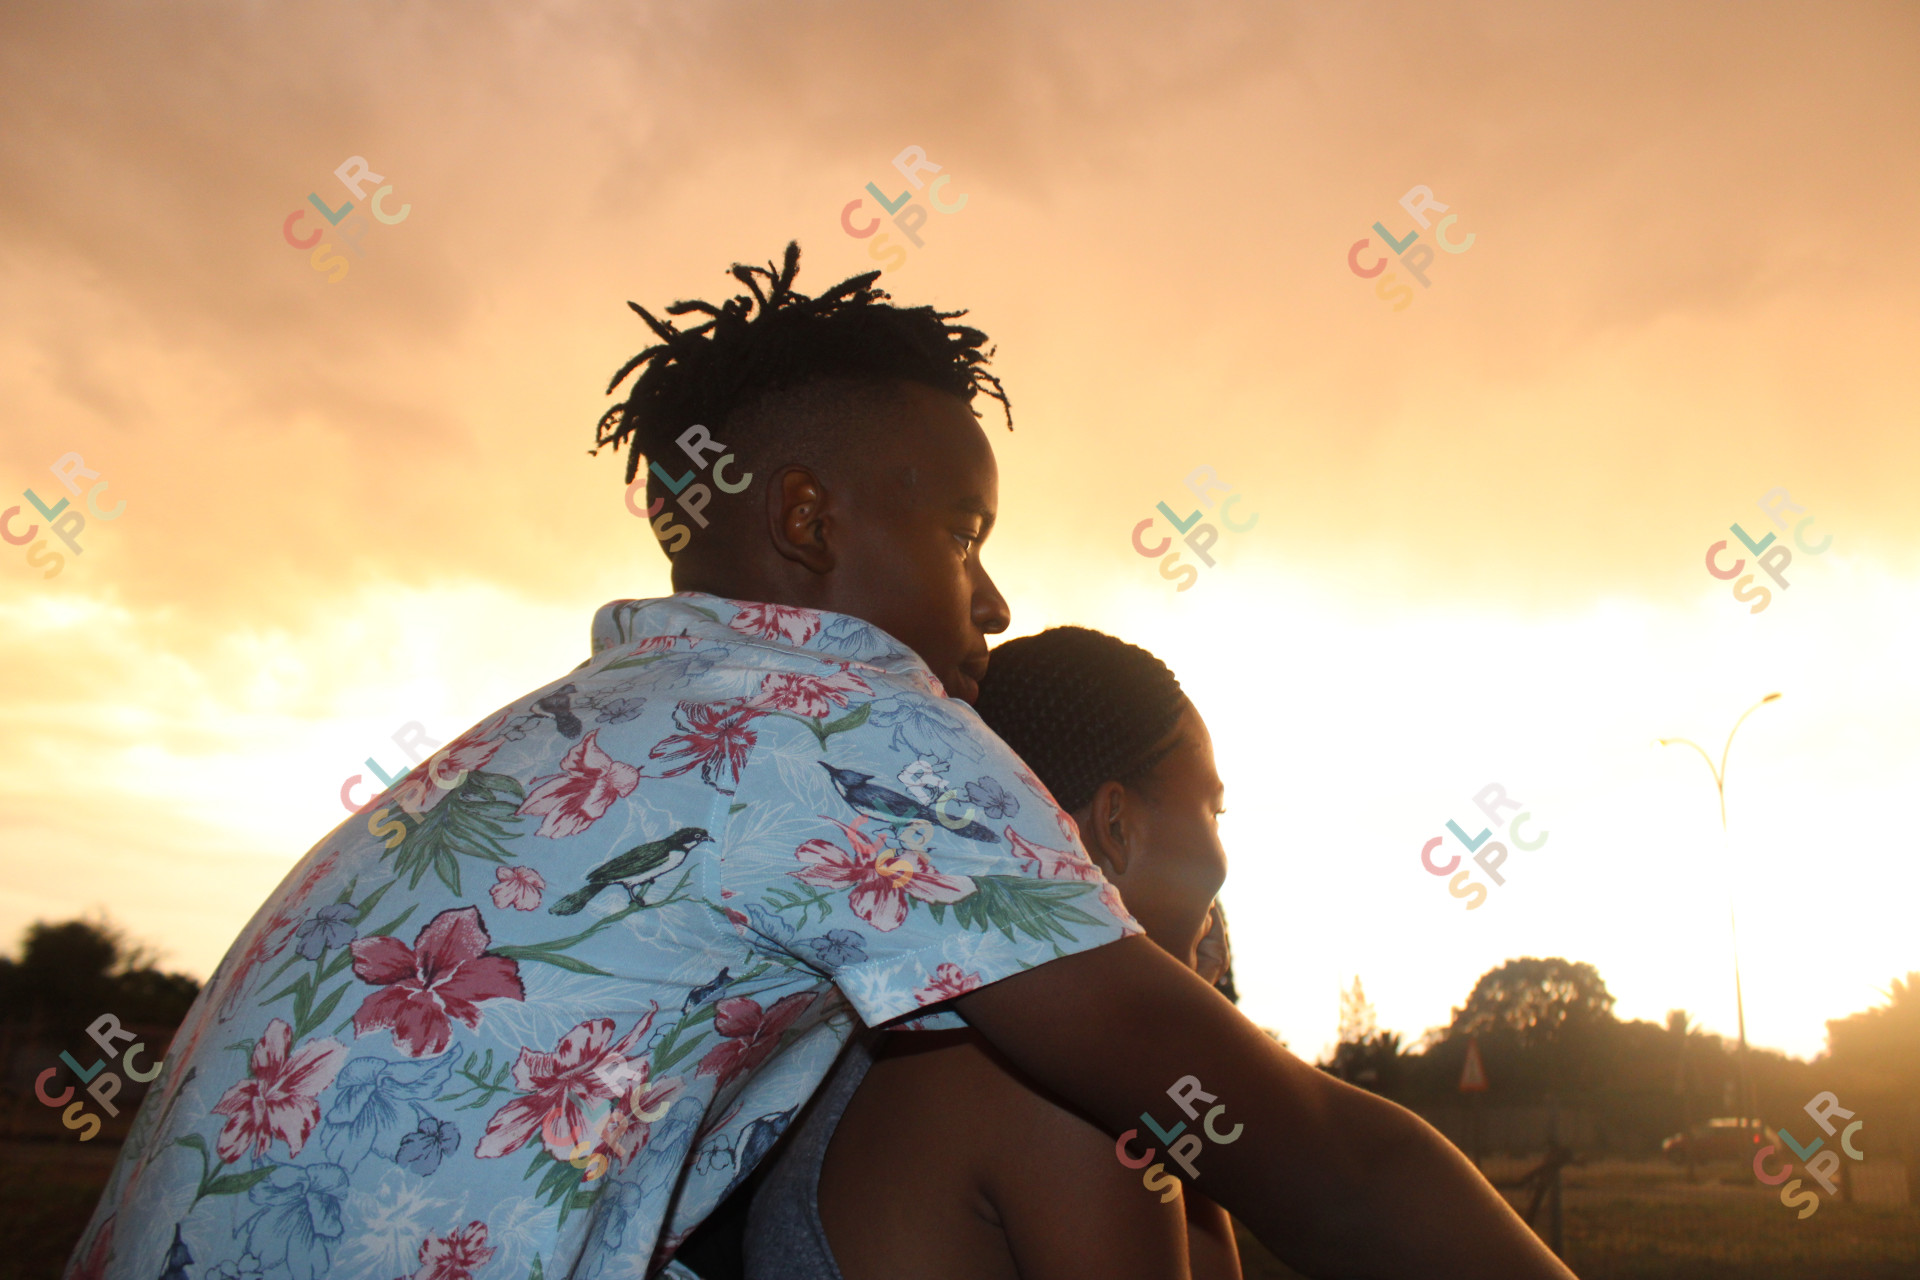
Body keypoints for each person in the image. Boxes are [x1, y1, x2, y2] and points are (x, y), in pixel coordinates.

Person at [68, 243, 1575, 1280]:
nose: (991, 597)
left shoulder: (574, 728)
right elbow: (1315, 1152)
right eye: (964, 531)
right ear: (803, 520)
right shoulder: (846, 721)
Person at [744, 626, 1247, 1279]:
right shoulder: (1059, 1082)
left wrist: (1184, 1038)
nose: (1221, 860)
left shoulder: (887, 1037)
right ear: (1117, 826)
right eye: (1213, 810)